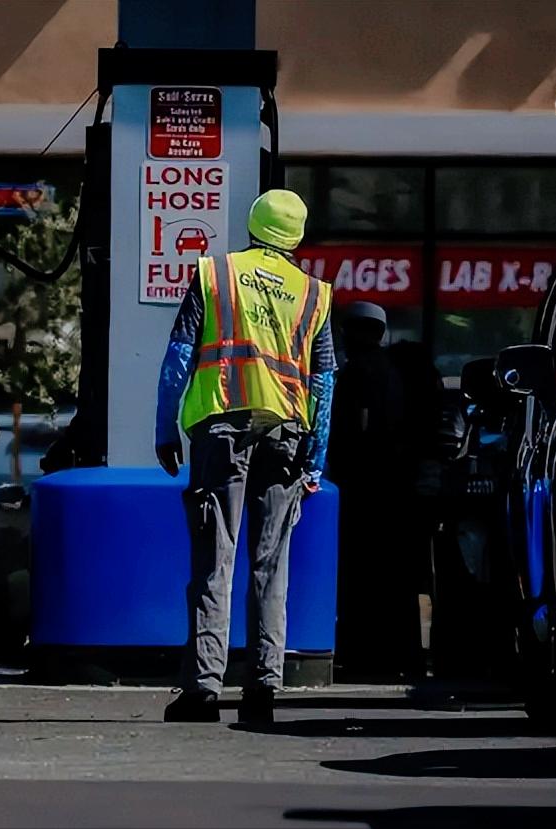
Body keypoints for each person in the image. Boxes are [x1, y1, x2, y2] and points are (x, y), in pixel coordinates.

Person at [154, 190, 336, 724]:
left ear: (254, 225)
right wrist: (316, 459)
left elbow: (179, 355)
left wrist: (165, 427)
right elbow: (324, 382)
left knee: (216, 557)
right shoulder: (313, 294)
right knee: (269, 563)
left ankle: (203, 690)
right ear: (297, 235)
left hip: (221, 430)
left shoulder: (216, 275)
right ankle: (263, 690)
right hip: (287, 435)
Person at [328, 304, 427, 681]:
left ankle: (364, 656)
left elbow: (353, 434)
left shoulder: (357, 374)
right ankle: (403, 657)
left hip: (363, 490)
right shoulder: (397, 372)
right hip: (397, 488)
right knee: (397, 579)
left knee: (361, 578)